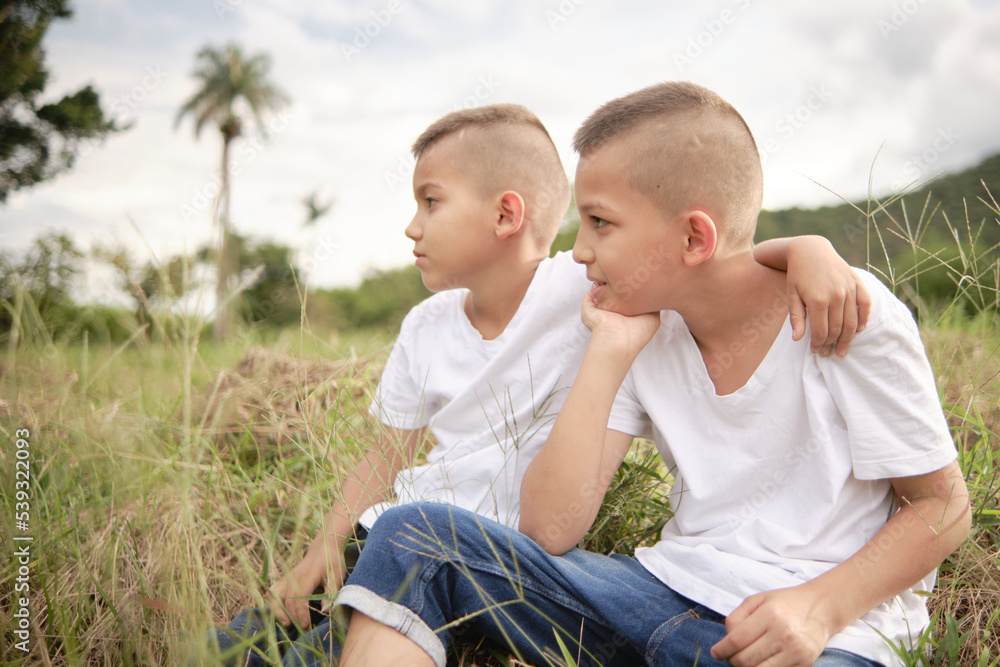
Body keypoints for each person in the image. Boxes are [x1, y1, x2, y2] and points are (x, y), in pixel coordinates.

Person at [212, 101, 872, 666]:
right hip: (389, 534)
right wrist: (325, 546)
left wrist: (805, 248)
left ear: (507, 214)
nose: (412, 226)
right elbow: (385, 454)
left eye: (431, 202)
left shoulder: (583, 284)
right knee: (241, 642)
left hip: (485, 556)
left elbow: (700, 256)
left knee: (312, 653)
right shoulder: (425, 325)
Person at [333, 83, 971, 667]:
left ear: (694, 239)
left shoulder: (844, 310)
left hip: (822, 634)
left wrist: (819, 609)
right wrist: (608, 352)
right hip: (656, 596)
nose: (580, 250)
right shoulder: (642, 327)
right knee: (412, 534)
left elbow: (942, 506)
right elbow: (550, 528)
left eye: (601, 222)